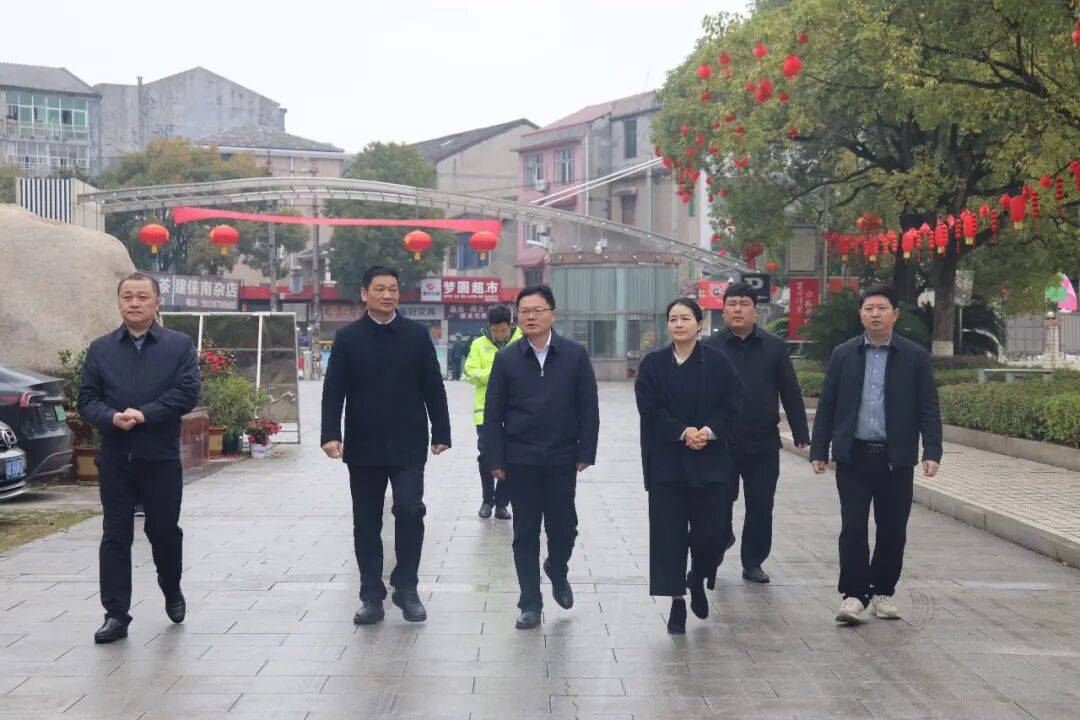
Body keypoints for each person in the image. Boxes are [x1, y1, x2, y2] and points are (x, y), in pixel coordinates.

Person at [321, 265, 451, 626]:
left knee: (410, 510)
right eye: (379, 289)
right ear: (365, 294)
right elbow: (333, 390)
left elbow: (433, 386)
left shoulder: (416, 335)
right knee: (366, 521)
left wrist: (442, 430)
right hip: (363, 446)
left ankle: (406, 587)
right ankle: (371, 595)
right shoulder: (347, 338)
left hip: (408, 444)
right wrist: (330, 434)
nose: (387, 295)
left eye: (393, 289)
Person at [78, 272, 200, 644]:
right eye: (127, 296)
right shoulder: (101, 349)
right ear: (119, 302)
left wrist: (146, 413)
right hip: (115, 458)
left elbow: (187, 393)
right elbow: (87, 399)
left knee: (163, 531)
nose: (134, 303)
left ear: (157, 302)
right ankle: (116, 615)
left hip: (159, 458)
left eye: (142, 297)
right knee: (115, 535)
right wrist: (110, 418)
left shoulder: (177, 345)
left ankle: (171, 587)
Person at [810, 285, 942, 625]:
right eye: (869, 308)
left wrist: (932, 450)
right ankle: (854, 595)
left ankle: (882, 592)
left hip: (895, 458)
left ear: (895, 314)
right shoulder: (844, 354)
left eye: (882, 308)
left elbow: (928, 407)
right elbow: (827, 406)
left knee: (892, 528)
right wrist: (818, 448)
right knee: (853, 526)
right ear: (861, 315)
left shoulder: (913, 356)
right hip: (854, 456)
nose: (875, 314)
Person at [484, 285, 599, 630]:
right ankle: (530, 603)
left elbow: (588, 407)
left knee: (565, 527)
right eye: (525, 311)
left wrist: (586, 450)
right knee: (525, 531)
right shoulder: (506, 359)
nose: (531, 316)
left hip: (562, 457)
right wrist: (495, 458)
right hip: (520, 458)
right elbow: (493, 414)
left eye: (538, 310)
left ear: (553, 314)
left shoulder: (574, 355)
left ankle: (557, 568)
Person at [636, 298, 742, 634]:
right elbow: (649, 409)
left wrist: (707, 432)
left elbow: (733, 405)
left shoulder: (719, 362)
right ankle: (677, 602)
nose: (679, 324)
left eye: (685, 318)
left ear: (699, 324)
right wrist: (682, 432)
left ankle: (697, 576)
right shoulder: (653, 364)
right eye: (673, 319)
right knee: (668, 536)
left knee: (713, 533)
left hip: (711, 461)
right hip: (667, 463)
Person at [704, 283, 810, 584]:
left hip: (763, 441)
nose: (738, 309)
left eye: (744, 304)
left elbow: (790, 391)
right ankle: (720, 541)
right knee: (717, 502)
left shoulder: (773, 347)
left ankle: (753, 561)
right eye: (732, 304)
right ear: (724, 309)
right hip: (720, 442)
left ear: (755, 310)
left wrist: (801, 433)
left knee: (761, 505)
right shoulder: (710, 347)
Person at [462, 306, 520, 520]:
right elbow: (469, 373)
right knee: (487, 457)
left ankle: (502, 503)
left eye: (502, 330)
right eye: (494, 330)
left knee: (512, 457)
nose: (498, 334)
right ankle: (487, 500)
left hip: (516, 412)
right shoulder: (478, 344)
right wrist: (498, 370)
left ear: (510, 325)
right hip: (485, 413)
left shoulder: (522, 341)